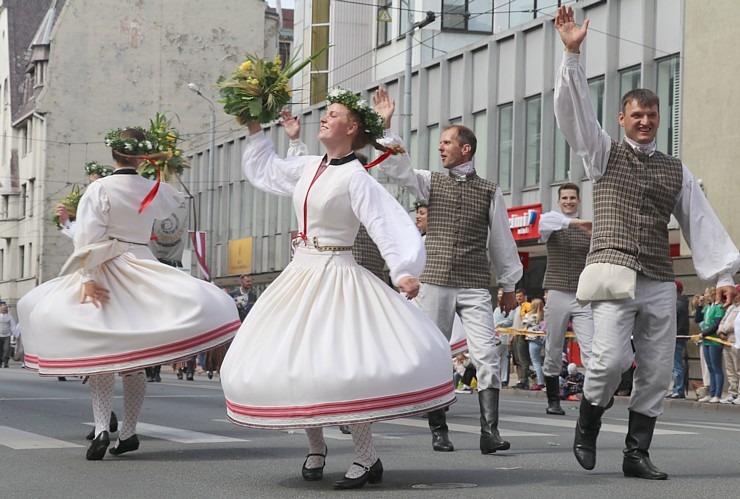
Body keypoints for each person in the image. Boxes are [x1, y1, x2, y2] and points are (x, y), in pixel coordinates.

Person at [219, 88, 455, 490]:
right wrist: (256, 127)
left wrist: (403, 270)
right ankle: (316, 446)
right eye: (325, 114)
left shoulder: (355, 177)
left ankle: (367, 456)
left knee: (344, 364)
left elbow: (385, 221)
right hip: (300, 272)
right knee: (300, 361)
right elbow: (268, 171)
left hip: (337, 272)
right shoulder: (310, 166)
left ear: (352, 127)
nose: (324, 119)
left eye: (333, 114)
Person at [554, 5, 739, 480]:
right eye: (637, 115)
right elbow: (574, 117)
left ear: (660, 118)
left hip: (657, 276)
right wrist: (571, 56)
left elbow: (700, 220)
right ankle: (588, 423)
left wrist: (722, 274)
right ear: (621, 118)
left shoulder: (676, 169)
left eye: (652, 115)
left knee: (656, 370)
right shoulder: (602, 153)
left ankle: (636, 453)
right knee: (611, 360)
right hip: (614, 269)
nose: (645, 121)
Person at [17, 127, 240, 460]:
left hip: (106, 269)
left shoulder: (100, 188)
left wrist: (89, 276)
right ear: (141, 156)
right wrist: (159, 168)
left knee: (101, 355)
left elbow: (89, 239)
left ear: (113, 154)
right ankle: (130, 431)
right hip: (142, 267)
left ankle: (102, 429)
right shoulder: (154, 188)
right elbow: (168, 207)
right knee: (136, 359)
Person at [376, 118, 522, 455]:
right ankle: (438, 430)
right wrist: (384, 129)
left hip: (474, 283)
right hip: (437, 279)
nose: (440, 148)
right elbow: (399, 171)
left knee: (487, 352)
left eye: (446, 143)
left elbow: (502, 241)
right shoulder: (430, 181)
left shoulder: (490, 190)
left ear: (465, 148)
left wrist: (509, 284)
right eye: (440, 143)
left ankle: (490, 432)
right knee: (436, 352)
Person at [539, 183, 594, 415]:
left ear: (579, 201)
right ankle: (553, 399)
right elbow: (545, 222)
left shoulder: (589, 228)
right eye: (565, 198)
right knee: (553, 347)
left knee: (591, 349)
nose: (569, 201)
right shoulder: (551, 223)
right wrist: (577, 223)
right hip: (558, 291)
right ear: (559, 201)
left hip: (584, 295)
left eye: (573, 198)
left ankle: (592, 399)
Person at [694, 286, 726, 403]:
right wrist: (699, 305)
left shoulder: (719, 307)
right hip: (706, 340)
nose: (705, 295)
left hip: (714, 340)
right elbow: (698, 319)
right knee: (710, 368)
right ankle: (711, 393)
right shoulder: (707, 307)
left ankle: (717, 394)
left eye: (707, 293)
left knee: (717, 367)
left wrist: (704, 333)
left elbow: (716, 325)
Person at [716, 286, 740, 403]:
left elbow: (733, 324)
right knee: (729, 369)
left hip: (736, 341)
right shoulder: (730, 308)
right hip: (726, 341)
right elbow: (722, 321)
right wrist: (720, 332)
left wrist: (723, 329)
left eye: (736, 294)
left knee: (738, 369)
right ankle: (733, 393)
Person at [668, 281, 690, 399]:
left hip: (676, 337)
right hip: (678, 336)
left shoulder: (677, 304)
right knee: (675, 364)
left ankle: (678, 389)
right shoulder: (681, 303)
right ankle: (677, 388)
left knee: (677, 365)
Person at [511, 289, 533, 390]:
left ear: (524, 296)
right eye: (517, 296)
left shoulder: (527, 306)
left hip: (522, 335)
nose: (518, 298)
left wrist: (525, 333)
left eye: (520, 296)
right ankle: (520, 380)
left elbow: (529, 321)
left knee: (523, 360)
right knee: (517, 360)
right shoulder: (517, 308)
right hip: (515, 335)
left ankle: (525, 380)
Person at [523, 298, 546, 391]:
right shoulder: (544, 315)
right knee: (541, 361)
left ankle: (540, 382)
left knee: (535, 362)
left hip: (532, 339)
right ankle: (544, 380)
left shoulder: (530, 315)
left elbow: (523, 322)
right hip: (542, 339)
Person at [0, 301, 17, 368]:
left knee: (6, 349)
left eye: (5, 309)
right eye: (3, 309)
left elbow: (13, 326)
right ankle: (0, 362)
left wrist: (15, 334)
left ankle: (6, 362)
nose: (4, 310)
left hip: (7, 335)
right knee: (0, 349)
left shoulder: (10, 317)